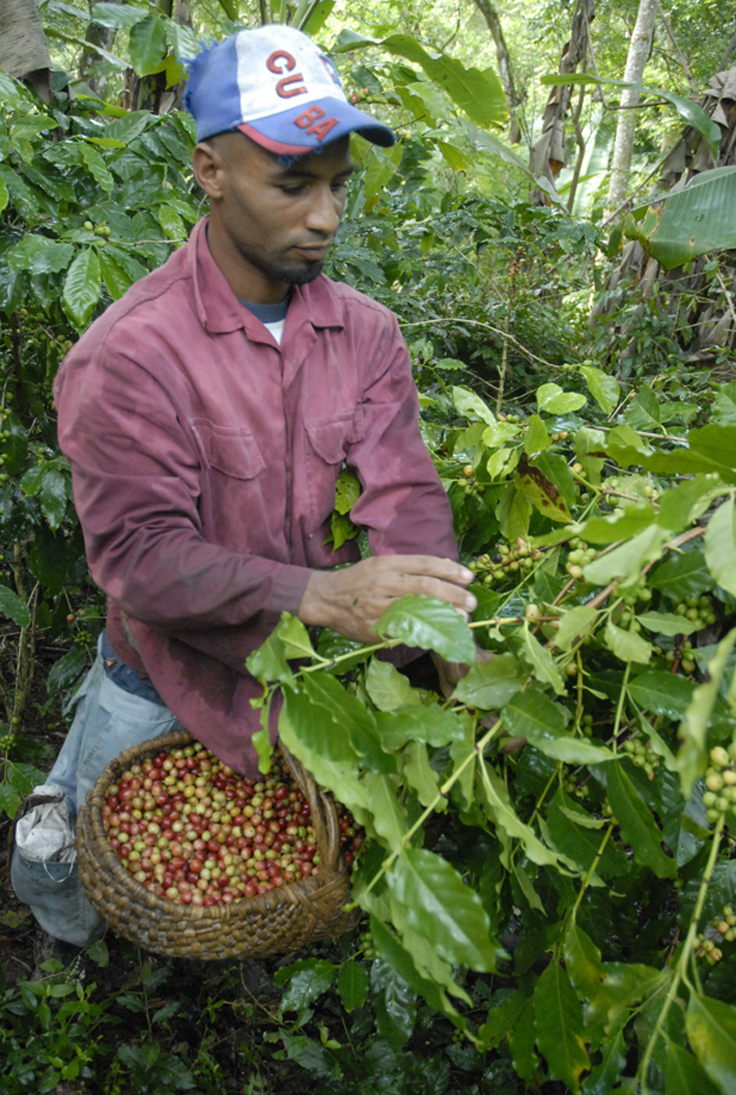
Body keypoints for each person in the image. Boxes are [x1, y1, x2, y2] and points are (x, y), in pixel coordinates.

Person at [11, 24, 476, 951]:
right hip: (165, 676)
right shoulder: (129, 355)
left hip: (306, 681)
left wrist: (447, 636)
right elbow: (140, 559)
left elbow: (406, 497)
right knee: (88, 868)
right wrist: (318, 595)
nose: (326, 216)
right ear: (211, 171)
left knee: (256, 868)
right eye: (294, 185)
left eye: (338, 184)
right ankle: (62, 948)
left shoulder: (367, 336)